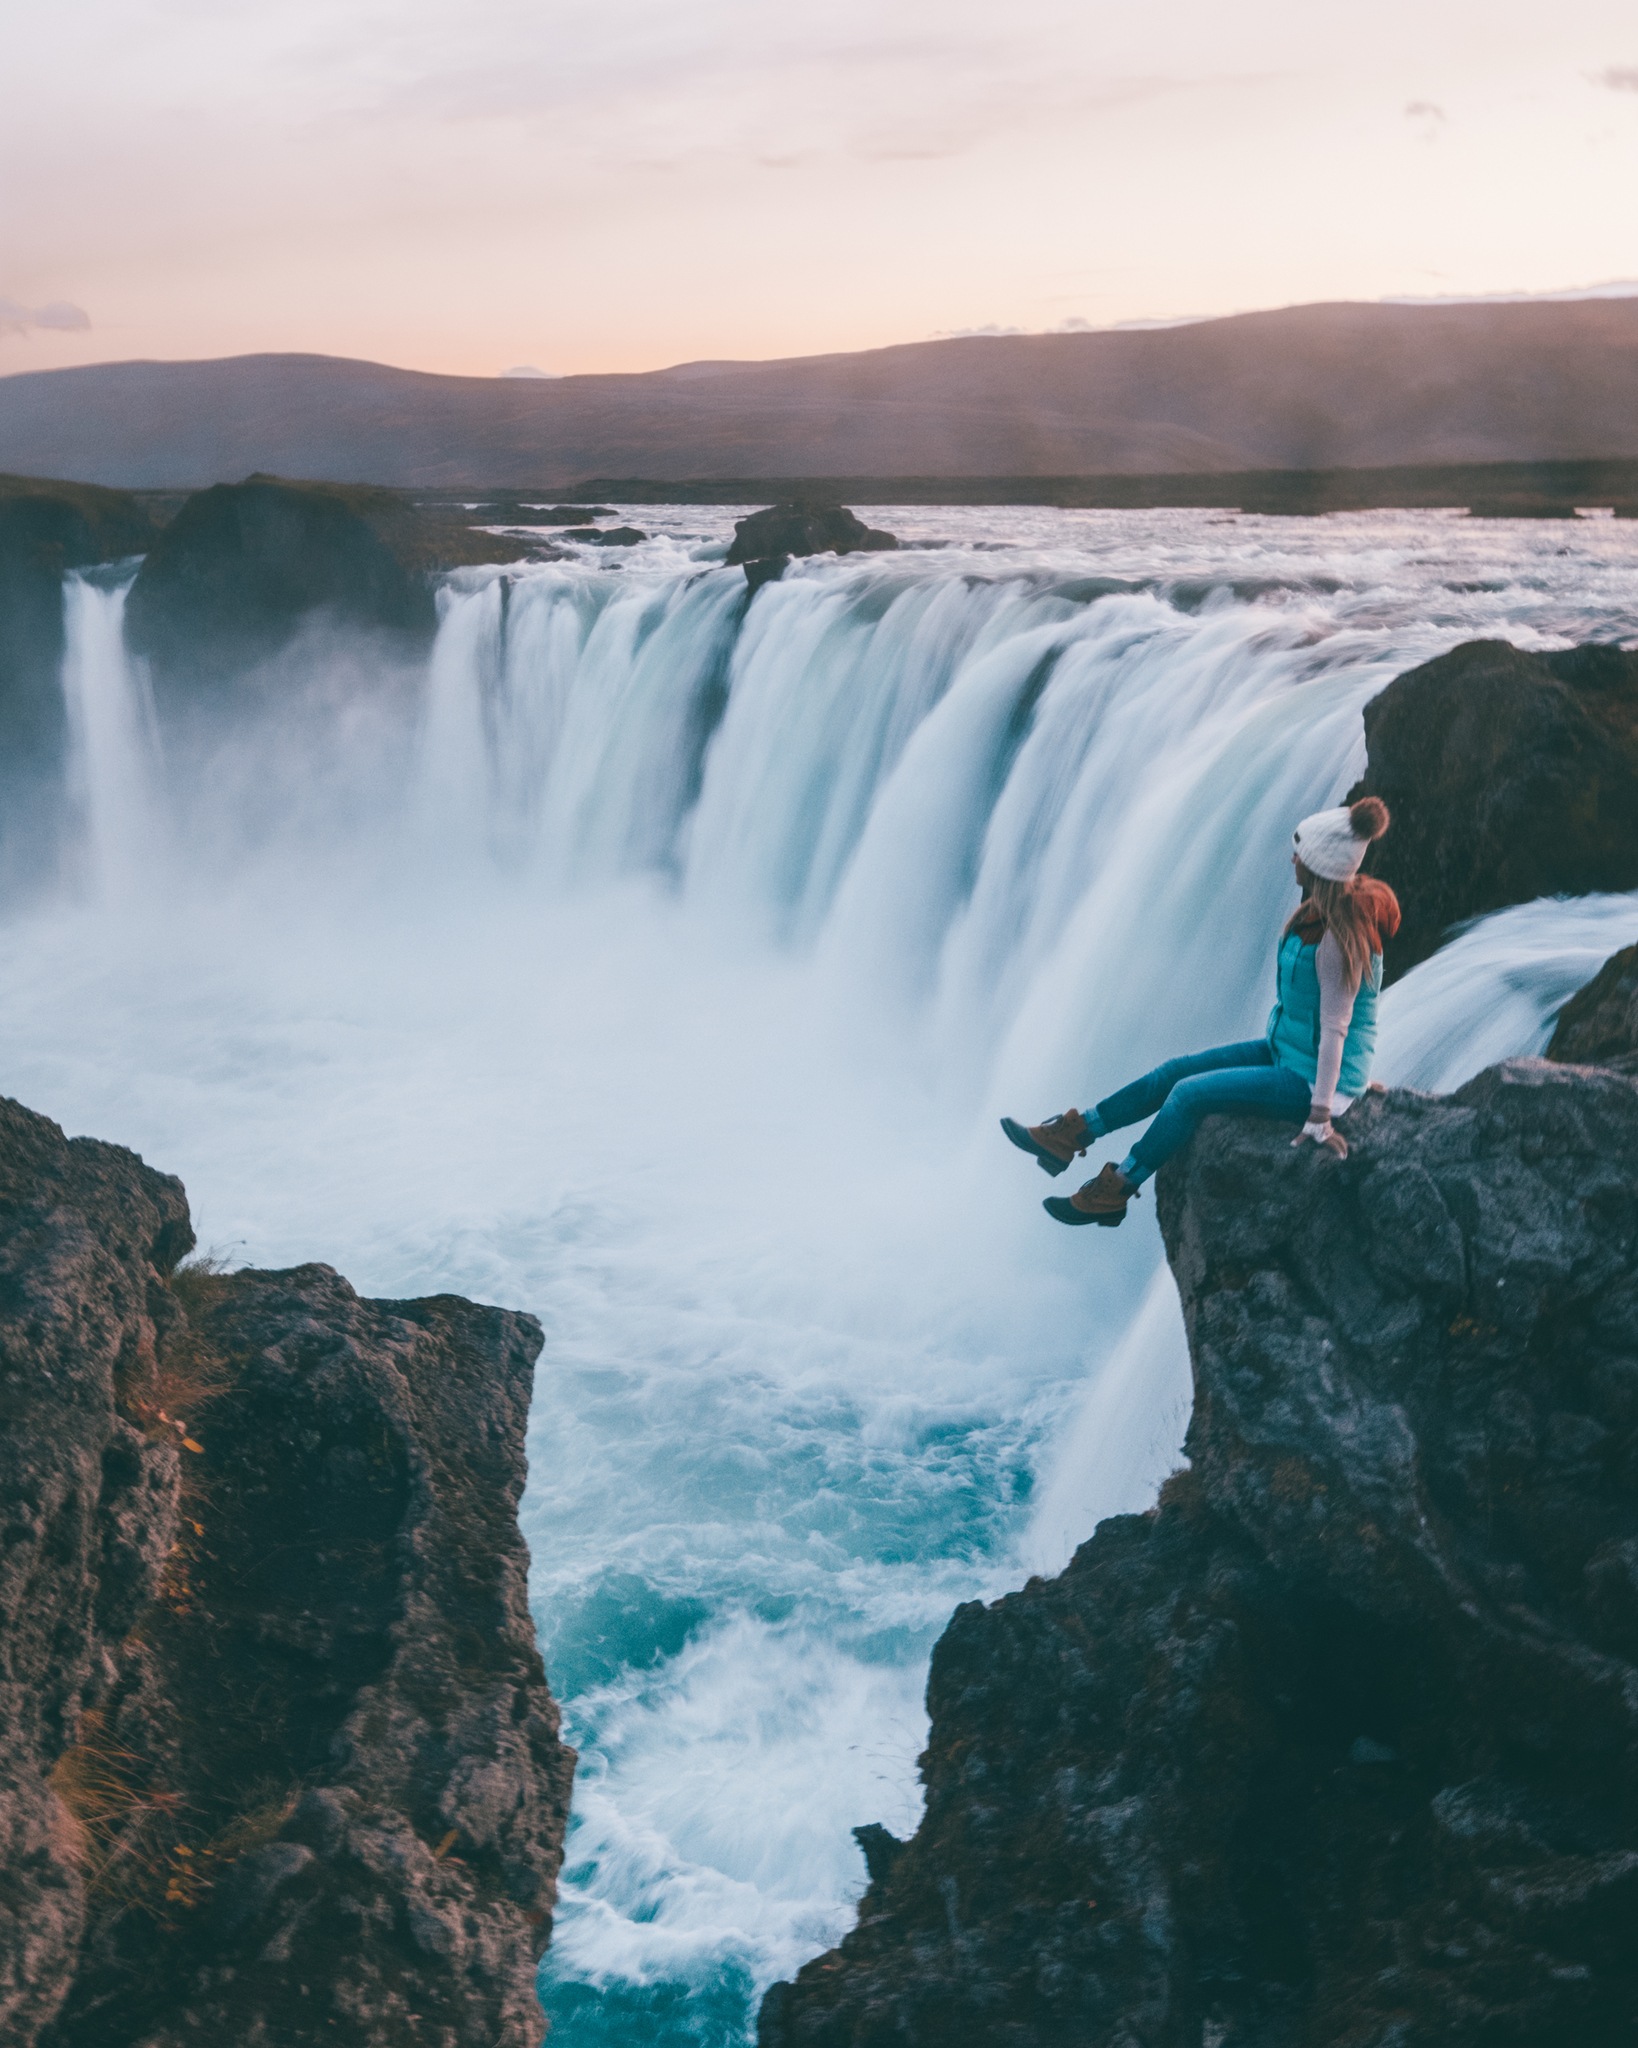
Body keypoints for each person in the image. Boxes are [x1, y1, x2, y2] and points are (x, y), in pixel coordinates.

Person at [1002, 796, 1400, 1227]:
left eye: (1299, 852)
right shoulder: (1314, 914)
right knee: (1175, 1071)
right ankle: (1076, 1133)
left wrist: (1322, 1114)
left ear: (1319, 865)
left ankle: (1117, 1187)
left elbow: (1337, 1028)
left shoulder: (1338, 941)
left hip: (1314, 1081)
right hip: (1288, 1048)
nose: (1292, 858)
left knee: (1187, 1095)